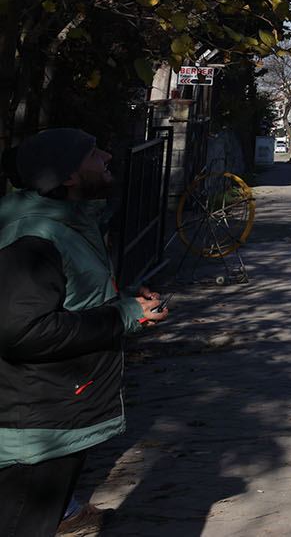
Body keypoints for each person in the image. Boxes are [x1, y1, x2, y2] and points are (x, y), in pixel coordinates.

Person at [0, 129, 167, 537]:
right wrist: (124, 315)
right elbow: (21, 329)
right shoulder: (34, 237)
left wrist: (128, 301)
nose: (107, 155)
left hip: (57, 415)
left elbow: (65, 298)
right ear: (68, 176)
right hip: (36, 428)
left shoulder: (69, 221)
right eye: (93, 153)